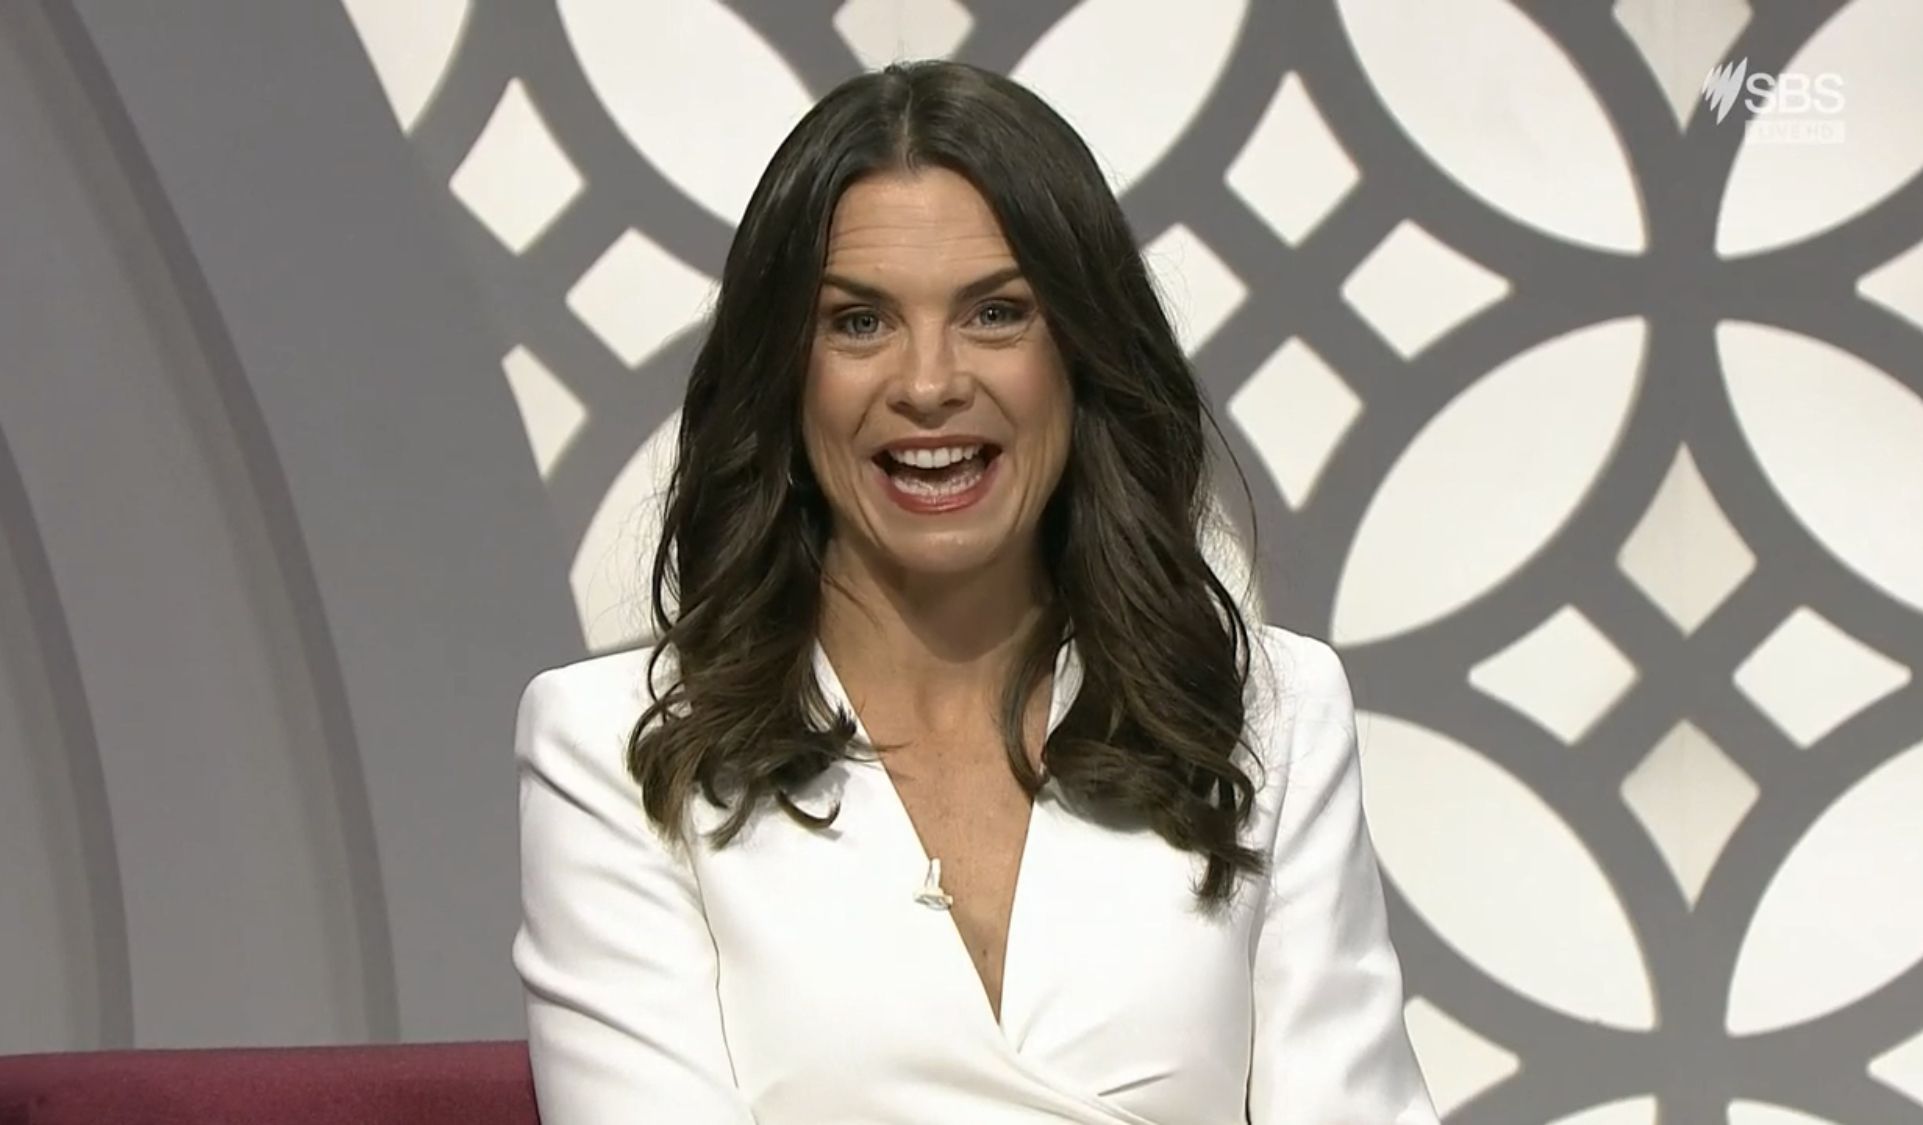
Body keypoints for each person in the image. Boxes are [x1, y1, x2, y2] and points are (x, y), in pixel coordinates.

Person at [511, 59, 1439, 1124]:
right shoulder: (614, 749)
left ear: (1081, 356)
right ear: (783, 373)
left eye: (996, 313)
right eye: (858, 322)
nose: (928, 383)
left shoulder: (1267, 716)